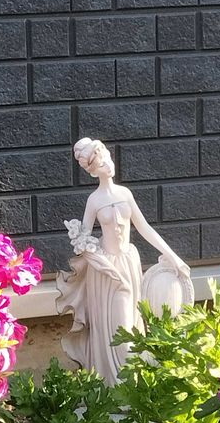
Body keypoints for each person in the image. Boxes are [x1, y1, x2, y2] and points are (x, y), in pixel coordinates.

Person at [56, 137, 191, 386]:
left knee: (133, 325)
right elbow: (83, 240)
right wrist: (98, 260)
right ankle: (120, 388)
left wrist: (172, 256)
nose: (108, 164)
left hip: (129, 262)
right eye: (101, 163)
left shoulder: (125, 194)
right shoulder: (94, 201)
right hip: (108, 271)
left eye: (108, 158)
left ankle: (133, 387)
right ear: (93, 171)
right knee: (121, 331)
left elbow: (144, 227)